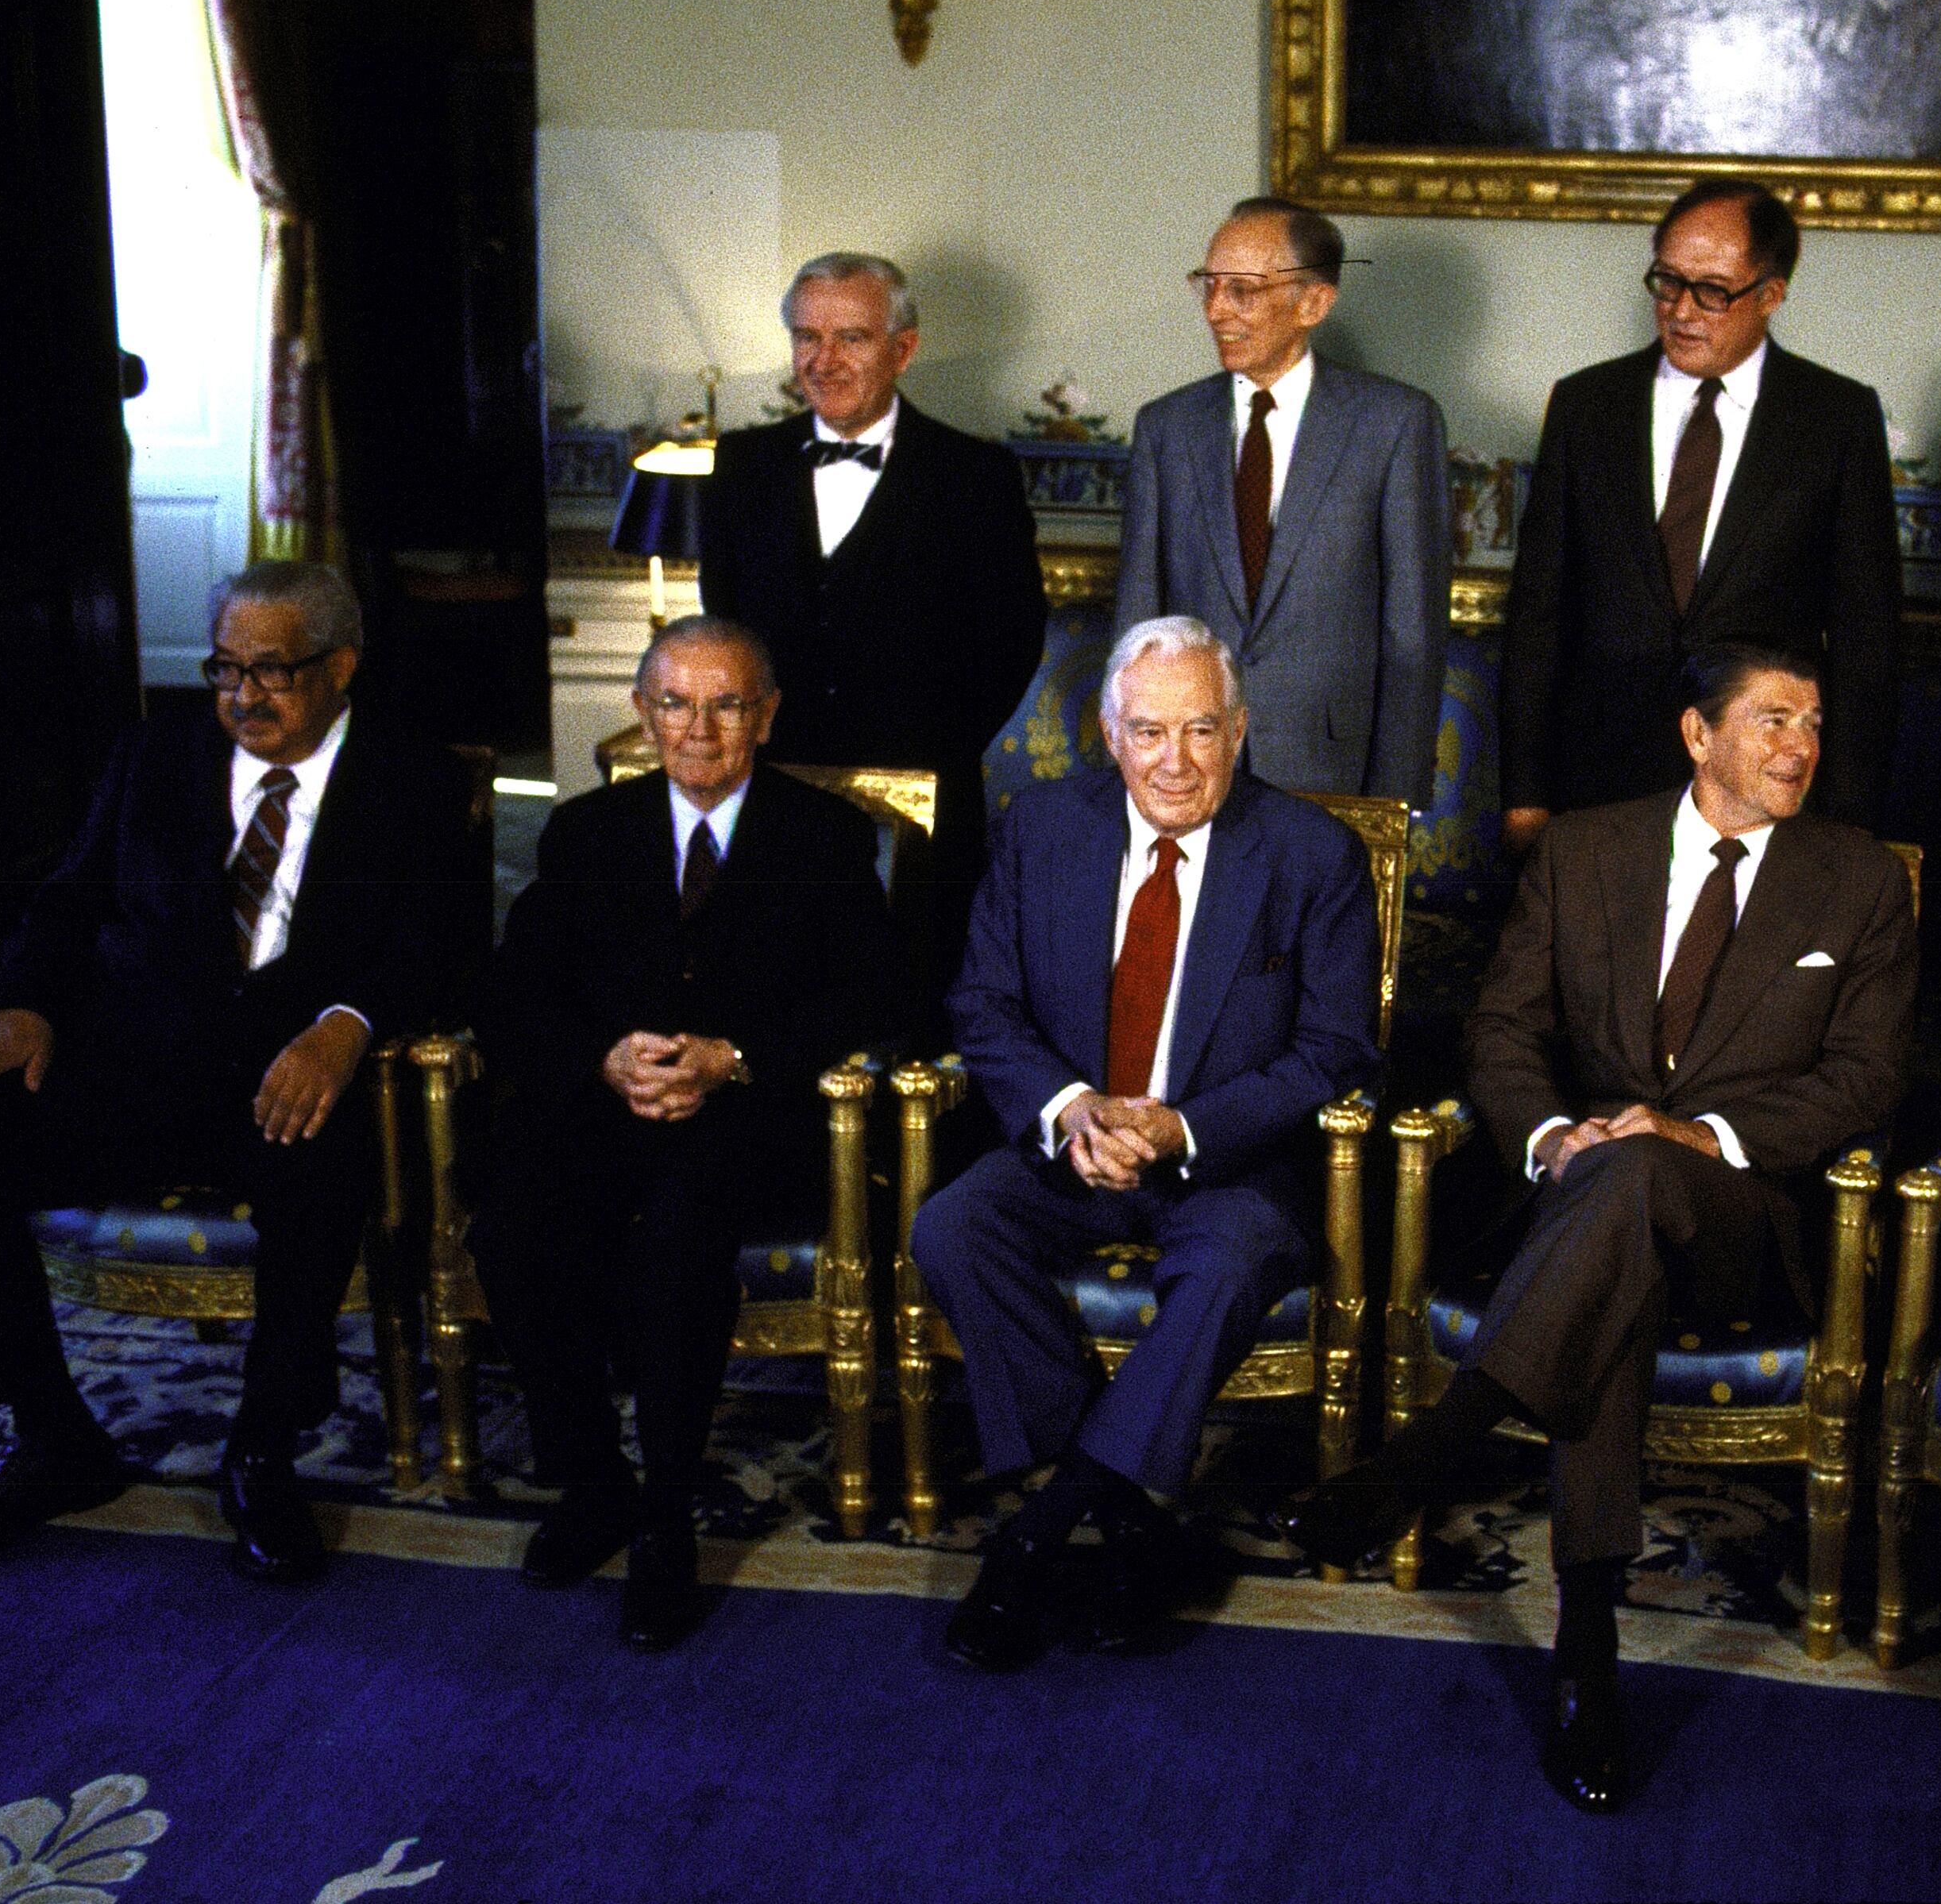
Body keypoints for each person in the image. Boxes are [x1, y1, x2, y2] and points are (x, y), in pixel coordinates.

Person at [1283, 644, 1916, 1813]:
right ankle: (1587, 1657)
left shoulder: (1858, 879)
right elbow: (1502, 1033)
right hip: (1584, 1201)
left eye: (1815, 723)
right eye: (1774, 720)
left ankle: (1441, 1444)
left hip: (1744, 1217)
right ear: (1698, 735)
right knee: (1608, 1267)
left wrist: (1701, 1137)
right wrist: (1551, 1137)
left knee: (1632, 1186)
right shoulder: (1586, 850)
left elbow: (1865, 1082)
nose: (1802, 746)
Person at [0, 561, 482, 1582]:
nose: (243, 696)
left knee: (317, 1170)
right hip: (133, 1059)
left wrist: (347, 1023)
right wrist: (19, 1008)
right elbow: (68, 904)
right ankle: (52, 1436)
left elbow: (439, 946)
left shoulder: (414, 778)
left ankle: (261, 1448)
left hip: (289, 1074)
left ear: (340, 666)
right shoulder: (153, 755)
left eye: (274, 671)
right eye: (226, 669)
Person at [909, 615, 1381, 1673]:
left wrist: (1181, 1126)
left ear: (1241, 732)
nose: (1176, 761)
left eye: (1202, 731)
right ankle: (1130, 1520)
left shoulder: (1312, 856)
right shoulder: (1039, 829)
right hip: (1069, 1151)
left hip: (1228, 1166)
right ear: (1111, 736)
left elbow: (1334, 1056)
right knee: (952, 1226)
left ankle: (1037, 1533)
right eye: (1150, 732)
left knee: (1228, 1267)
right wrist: (1072, 1108)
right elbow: (982, 1005)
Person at [465, 616, 901, 1651]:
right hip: (605, 1106)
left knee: (677, 1242)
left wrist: (733, 1057)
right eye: (675, 703)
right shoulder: (586, 833)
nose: (698, 729)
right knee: (510, 1232)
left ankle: (665, 1518)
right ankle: (593, 1483)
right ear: (641, 712)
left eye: (727, 703)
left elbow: (875, 994)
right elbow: (514, 994)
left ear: (768, 714)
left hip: (752, 1121)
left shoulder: (825, 835)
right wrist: (603, 1060)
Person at [697, 251, 1048, 1019]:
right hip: (774, 779)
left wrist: (932, 748)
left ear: (904, 347)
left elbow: (1012, 636)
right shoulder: (741, 464)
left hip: (924, 787)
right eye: (805, 337)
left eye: (850, 338)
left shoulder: (974, 474)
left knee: (914, 1002)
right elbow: (723, 622)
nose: (823, 361)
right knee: (771, 1002)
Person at [1499, 176, 1901, 842]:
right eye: (1667, 282)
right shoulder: (1587, 405)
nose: (1682, 310)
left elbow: (1867, 641)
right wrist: (1525, 796)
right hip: (1599, 784)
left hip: (1762, 786)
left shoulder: (1835, 419)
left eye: (1713, 291)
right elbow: (1538, 619)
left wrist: (1844, 819)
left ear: (1770, 295)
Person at [1114, 196, 1450, 807]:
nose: (1217, 311)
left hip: (1331, 772)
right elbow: (1139, 622)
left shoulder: (1395, 424)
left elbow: (1413, 636)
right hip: (1185, 773)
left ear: (1314, 303)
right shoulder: (1167, 427)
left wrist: (1393, 803)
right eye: (1209, 286)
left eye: (1243, 290)